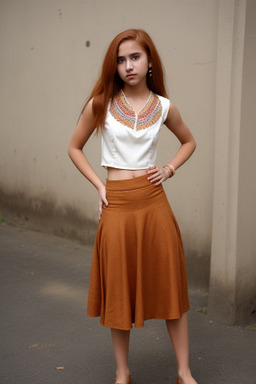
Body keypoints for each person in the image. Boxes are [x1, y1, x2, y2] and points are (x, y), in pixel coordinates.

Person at [68, 29, 197, 384]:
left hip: (155, 204)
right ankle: (122, 373)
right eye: (121, 60)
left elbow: (189, 141)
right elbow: (74, 147)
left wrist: (168, 168)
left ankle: (184, 373)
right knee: (119, 293)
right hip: (118, 206)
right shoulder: (101, 103)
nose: (128, 66)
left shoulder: (164, 106)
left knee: (171, 287)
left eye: (135, 57)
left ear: (150, 60)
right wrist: (99, 185)